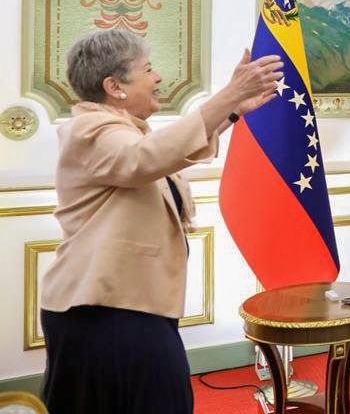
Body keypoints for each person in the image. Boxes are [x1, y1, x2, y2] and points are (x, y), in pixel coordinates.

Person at [40, 30, 283, 414]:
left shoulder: (120, 130)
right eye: (148, 69)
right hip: (101, 310)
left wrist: (233, 110)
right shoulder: (89, 131)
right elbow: (145, 158)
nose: (158, 78)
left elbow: (164, 152)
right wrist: (229, 94)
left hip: (128, 303)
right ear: (115, 87)